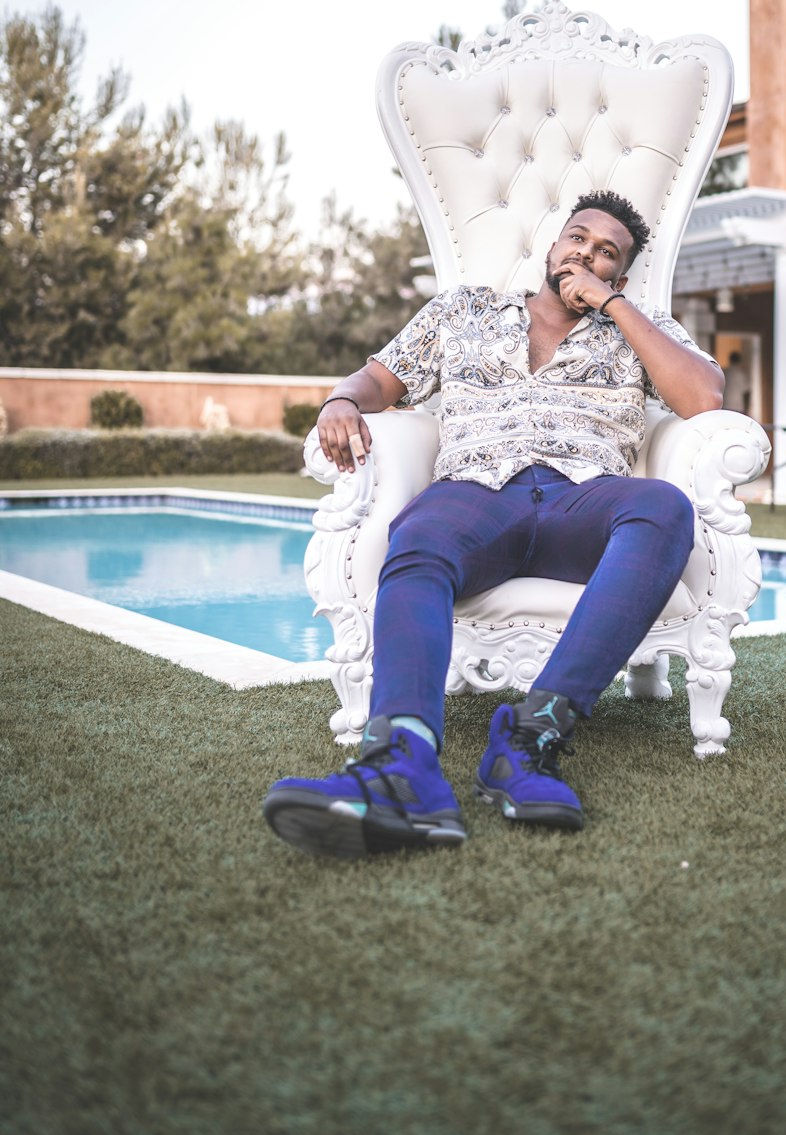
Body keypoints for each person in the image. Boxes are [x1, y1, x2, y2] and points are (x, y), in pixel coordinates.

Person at [263, 190, 723, 860]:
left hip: (583, 498)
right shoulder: (463, 310)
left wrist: (614, 308)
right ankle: (402, 767)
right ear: (554, 244)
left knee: (664, 509)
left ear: (618, 276)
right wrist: (339, 400)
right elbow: (377, 379)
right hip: (475, 493)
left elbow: (703, 397)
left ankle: (531, 742)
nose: (585, 255)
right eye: (578, 238)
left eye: (606, 255)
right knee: (415, 539)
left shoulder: (638, 325)